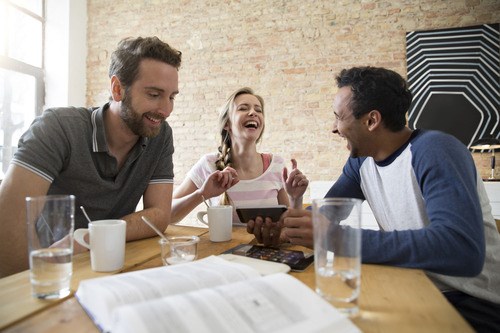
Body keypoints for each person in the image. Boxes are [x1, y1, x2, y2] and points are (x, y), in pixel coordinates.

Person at [249, 67, 500, 332]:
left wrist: (335, 237)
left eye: (338, 117)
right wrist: (285, 231)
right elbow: (325, 217)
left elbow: (462, 250)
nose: (334, 128)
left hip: (472, 304)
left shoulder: (436, 150)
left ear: (371, 121)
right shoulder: (360, 162)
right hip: (408, 286)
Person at [0, 36, 182, 277]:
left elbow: (159, 215)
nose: (166, 110)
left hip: (106, 266)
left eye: (171, 96)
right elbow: (8, 226)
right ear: (118, 89)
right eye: (154, 94)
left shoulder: (159, 134)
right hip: (47, 273)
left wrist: (90, 236)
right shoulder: (57, 128)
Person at [171, 87, 308, 240]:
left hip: (268, 254)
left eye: (259, 110)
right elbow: (167, 216)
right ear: (227, 124)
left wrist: (296, 198)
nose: (253, 112)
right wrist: (203, 193)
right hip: (225, 257)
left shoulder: (277, 165)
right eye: (243, 108)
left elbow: (291, 229)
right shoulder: (209, 164)